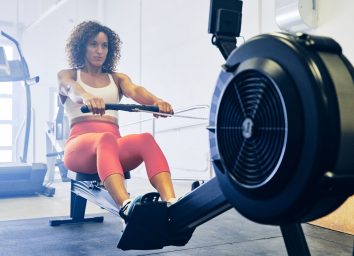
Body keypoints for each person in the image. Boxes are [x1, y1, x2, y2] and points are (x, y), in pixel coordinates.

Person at [58, 20, 177, 223]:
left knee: (145, 139)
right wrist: (87, 97)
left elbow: (135, 91)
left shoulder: (117, 78)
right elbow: (70, 88)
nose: (99, 50)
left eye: (104, 45)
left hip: (112, 147)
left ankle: (172, 202)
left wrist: (157, 102)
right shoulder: (69, 74)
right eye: (93, 44)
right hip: (80, 149)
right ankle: (126, 205)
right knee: (105, 139)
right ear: (81, 47)